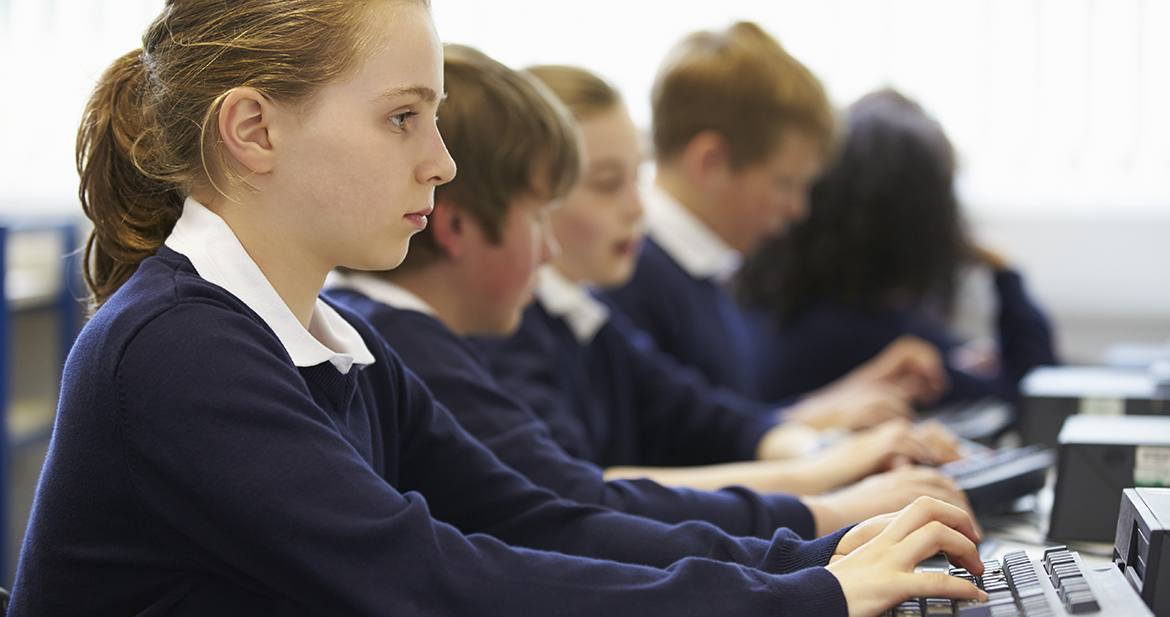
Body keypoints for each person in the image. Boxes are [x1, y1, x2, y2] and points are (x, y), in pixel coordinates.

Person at [10, 2, 988, 615]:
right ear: (254, 129)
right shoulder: (171, 349)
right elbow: (422, 579)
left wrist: (813, 555)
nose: (439, 161)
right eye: (403, 116)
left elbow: (547, 512)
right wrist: (800, 596)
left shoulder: (338, 341)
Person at [327, 46, 969, 542]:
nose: (548, 251)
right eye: (543, 213)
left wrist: (827, 478)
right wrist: (822, 517)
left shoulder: (442, 334)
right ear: (458, 224)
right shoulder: (415, 345)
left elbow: (691, 422)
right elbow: (576, 510)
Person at [605, 22, 948, 422]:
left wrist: (847, 398)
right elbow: (683, 461)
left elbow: (726, 431)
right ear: (710, 163)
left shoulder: (699, 272)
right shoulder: (633, 277)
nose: (797, 210)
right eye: (785, 183)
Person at [737, 89, 1059, 406]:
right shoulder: (870, 334)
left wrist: (957, 357)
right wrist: (1005, 269)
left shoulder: (780, 308)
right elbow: (1033, 392)